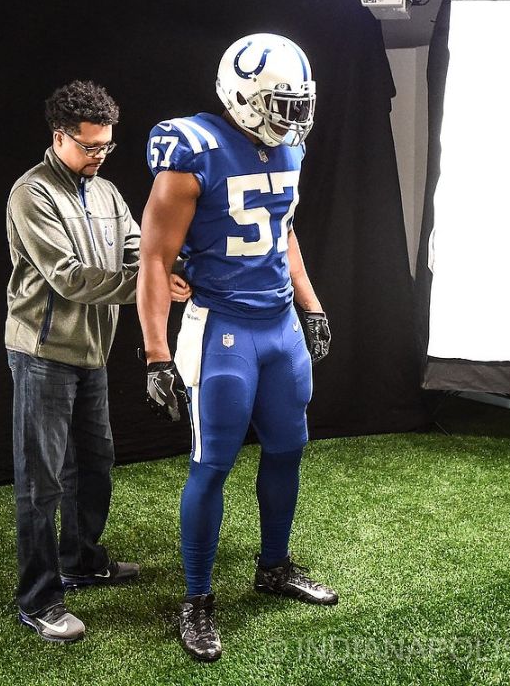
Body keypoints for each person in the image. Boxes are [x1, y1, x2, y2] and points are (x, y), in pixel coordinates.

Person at [136, 34, 338, 662]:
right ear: (244, 97)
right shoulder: (190, 151)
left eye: (297, 101)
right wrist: (156, 352)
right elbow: (153, 257)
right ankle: (196, 600)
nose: (294, 116)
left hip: (278, 326)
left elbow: (284, 233)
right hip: (222, 327)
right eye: (281, 101)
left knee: (289, 449)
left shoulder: (290, 150)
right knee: (213, 462)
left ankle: (274, 567)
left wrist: (310, 303)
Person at [5, 80, 191, 643]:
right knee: (41, 482)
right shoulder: (31, 194)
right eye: (90, 147)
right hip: (42, 353)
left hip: (93, 353)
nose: (99, 156)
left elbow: (139, 249)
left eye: (106, 147)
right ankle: (38, 599)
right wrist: (145, 287)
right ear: (60, 136)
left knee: (96, 463)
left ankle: (81, 561)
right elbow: (68, 277)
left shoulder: (108, 192)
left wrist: (168, 267)